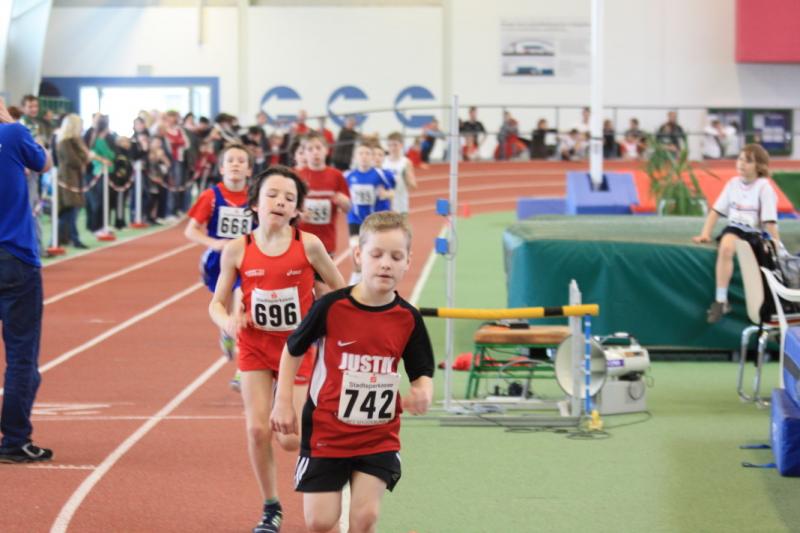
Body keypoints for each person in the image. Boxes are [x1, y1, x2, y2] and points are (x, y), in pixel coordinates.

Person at [270, 211, 435, 533]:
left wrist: (423, 390)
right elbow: (293, 349)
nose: (385, 264)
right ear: (359, 255)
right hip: (327, 431)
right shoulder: (331, 307)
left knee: (365, 517)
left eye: (395, 257)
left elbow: (421, 369)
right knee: (320, 521)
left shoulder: (408, 318)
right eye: (377, 254)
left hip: (377, 434)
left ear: (407, 262)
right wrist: (283, 401)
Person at [209, 165, 344, 533]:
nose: (280, 202)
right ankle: (271, 507)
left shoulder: (308, 245)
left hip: (296, 349)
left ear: (297, 209)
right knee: (257, 430)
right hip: (254, 346)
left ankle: (331, 453)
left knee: (289, 438)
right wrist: (228, 321)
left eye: (289, 198)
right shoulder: (238, 249)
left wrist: (322, 300)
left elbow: (340, 288)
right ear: (255, 202)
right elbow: (216, 303)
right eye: (272, 195)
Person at [0, 97, 54, 463]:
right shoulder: (14, 133)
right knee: (21, 356)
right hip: (15, 256)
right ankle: (14, 440)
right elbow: (44, 162)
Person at [186, 143, 254, 390]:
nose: (236, 164)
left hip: (247, 262)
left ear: (249, 170)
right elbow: (191, 230)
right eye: (231, 160)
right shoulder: (211, 196)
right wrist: (214, 243)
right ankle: (226, 333)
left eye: (241, 161)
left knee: (242, 312)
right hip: (219, 262)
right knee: (223, 310)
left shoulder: (255, 198)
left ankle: (242, 370)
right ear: (222, 168)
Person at [692, 144, 779, 323]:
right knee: (726, 248)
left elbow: (769, 222)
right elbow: (715, 211)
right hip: (735, 228)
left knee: (760, 262)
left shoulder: (764, 188)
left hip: (755, 232)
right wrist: (705, 234)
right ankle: (721, 300)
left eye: (748, 161)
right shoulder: (732, 184)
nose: (741, 164)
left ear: (759, 166)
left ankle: (768, 305)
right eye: (740, 159)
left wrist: (775, 243)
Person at [297, 132, 352, 295]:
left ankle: (320, 311)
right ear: (304, 153)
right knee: (302, 286)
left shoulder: (336, 176)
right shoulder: (297, 176)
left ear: (326, 150)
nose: (315, 152)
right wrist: (299, 214)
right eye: (310, 149)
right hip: (300, 240)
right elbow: (289, 208)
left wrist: (343, 201)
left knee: (320, 287)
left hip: (325, 241)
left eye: (318, 148)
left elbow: (348, 208)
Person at [55, 114, 91, 249]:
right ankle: (67, 239)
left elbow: (84, 159)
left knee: (71, 211)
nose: (82, 128)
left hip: (75, 180)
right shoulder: (65, 142)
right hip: (68, 180)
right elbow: (73, 160)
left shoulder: (76, 141)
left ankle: (67, 238)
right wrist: (84, 157)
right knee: (69, 210)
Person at [383, 132, 417, 216]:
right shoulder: (383, 161)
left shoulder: (406, 162)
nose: (392, 148)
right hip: (385, 206)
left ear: (401, 145)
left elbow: (414, 186)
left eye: (395, 145)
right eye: (390, 145)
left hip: (401, 206)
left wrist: (406, 177)